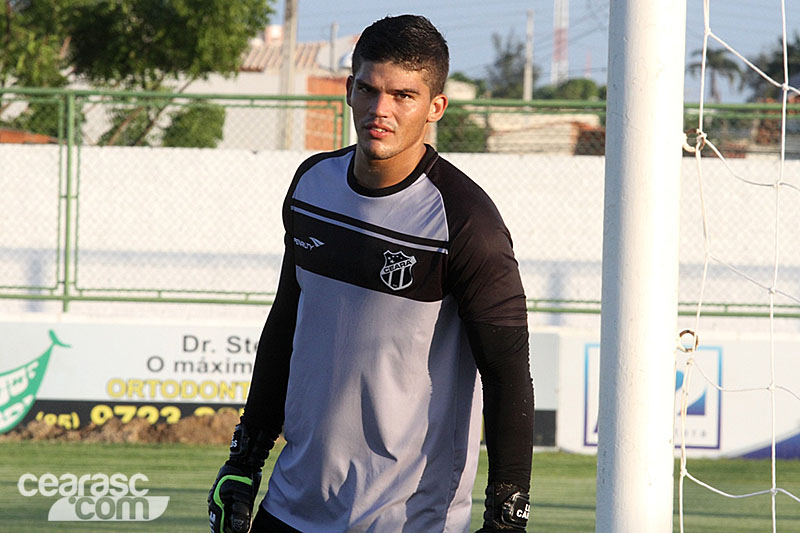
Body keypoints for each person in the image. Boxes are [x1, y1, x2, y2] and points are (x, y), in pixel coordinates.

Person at [209, 14, 534, 533]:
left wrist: (508, 515)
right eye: (369, 89)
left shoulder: (468, 222)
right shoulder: (312, 185)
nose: (381, 110)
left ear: (435, 108)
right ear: (349, 90)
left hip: (407, 520)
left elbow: (507, 373)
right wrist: (244, 462)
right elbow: (284, 329)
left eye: (404, 96)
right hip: (291, 505)